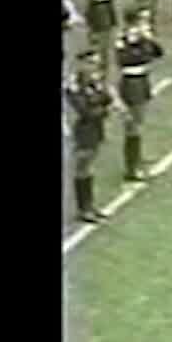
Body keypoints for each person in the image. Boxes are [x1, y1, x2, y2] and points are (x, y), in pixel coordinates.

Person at [113, 8, 165, 182]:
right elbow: (126, 59)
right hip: (131, 82)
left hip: (141, 80)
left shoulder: (142, 38)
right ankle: (131, 168)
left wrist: (148, 39)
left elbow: (158, 53)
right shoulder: (123, 39)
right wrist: (139, 44)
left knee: (138, 122)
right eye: (143, 20)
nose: (146, 24)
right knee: (133, 124)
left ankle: (136, 159)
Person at [67, 57, 116, 223]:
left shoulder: (94, 83)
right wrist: (102, 107)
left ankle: (89, 205)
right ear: (83, 64)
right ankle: (83, 209)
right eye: (91, 63)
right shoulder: (75, 86)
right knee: (83, 165)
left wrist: (100, 97)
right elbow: (84, 111)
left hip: (95, 127)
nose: (94, 67)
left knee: (89, 166)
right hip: (84, 130)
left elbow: (107, 99)